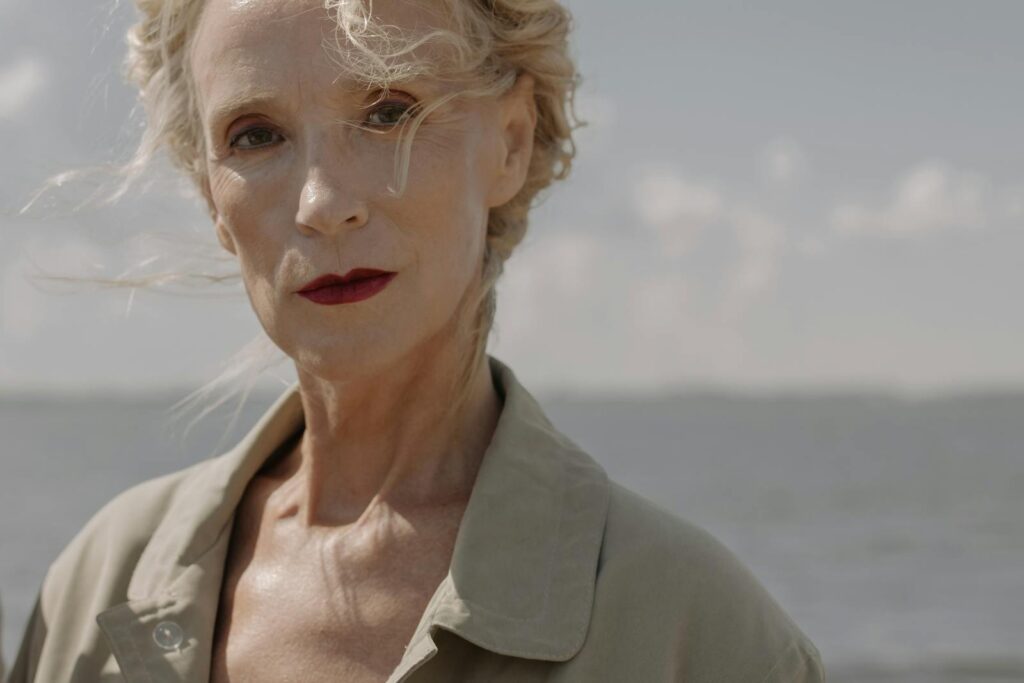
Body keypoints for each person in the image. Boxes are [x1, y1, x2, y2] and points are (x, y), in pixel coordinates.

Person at [8, 0, 825, 681]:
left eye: (389, 112)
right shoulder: (100, 582)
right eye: (255, 135)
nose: (323, 203)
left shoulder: (701, 639)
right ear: (211, 198)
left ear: (510, 141)